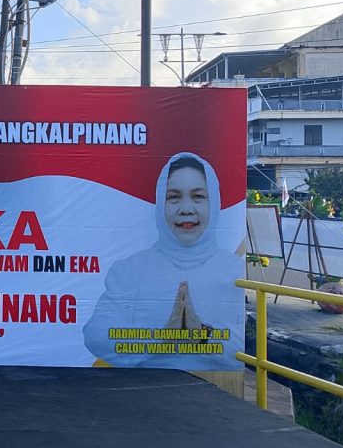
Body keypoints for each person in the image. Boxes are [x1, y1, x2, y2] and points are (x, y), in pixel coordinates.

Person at [82, 152, 242, 369]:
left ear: (213, 203)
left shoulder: (236, 271)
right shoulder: (129, 270)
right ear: (160, 204)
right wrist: (159, 340)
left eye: (198, 197)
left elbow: (246, 348)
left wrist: (203, 335)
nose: (186, 209)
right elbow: (96, 334)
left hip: (216, 392)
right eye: (174, 197)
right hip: (142, 391)